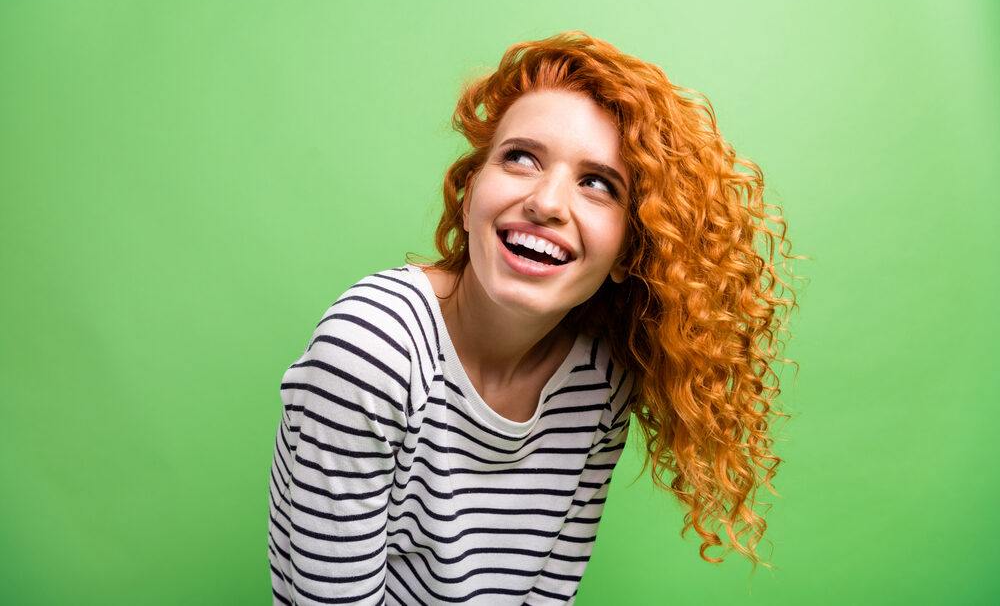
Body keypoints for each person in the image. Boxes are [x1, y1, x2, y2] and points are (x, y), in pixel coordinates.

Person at [267, 31, 797, 605]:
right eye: (521, 157)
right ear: (470, 198)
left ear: (627, 253)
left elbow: (549, 594)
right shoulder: (374, 348)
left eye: (598, 184)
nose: (546, 202)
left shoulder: (600, 381)